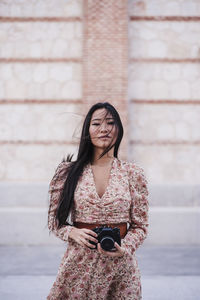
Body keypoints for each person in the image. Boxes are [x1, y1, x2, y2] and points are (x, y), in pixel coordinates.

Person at [47, 102, 149, 300]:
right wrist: (72, 232)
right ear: (87, 130)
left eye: (110, 123)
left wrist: (125, 248)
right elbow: (54, 221)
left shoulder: (133, 173)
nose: (104, 129)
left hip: (121, 269)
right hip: (78, 266)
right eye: (96, 124)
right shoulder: (67, 172)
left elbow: (141, 226)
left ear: (118, 130)